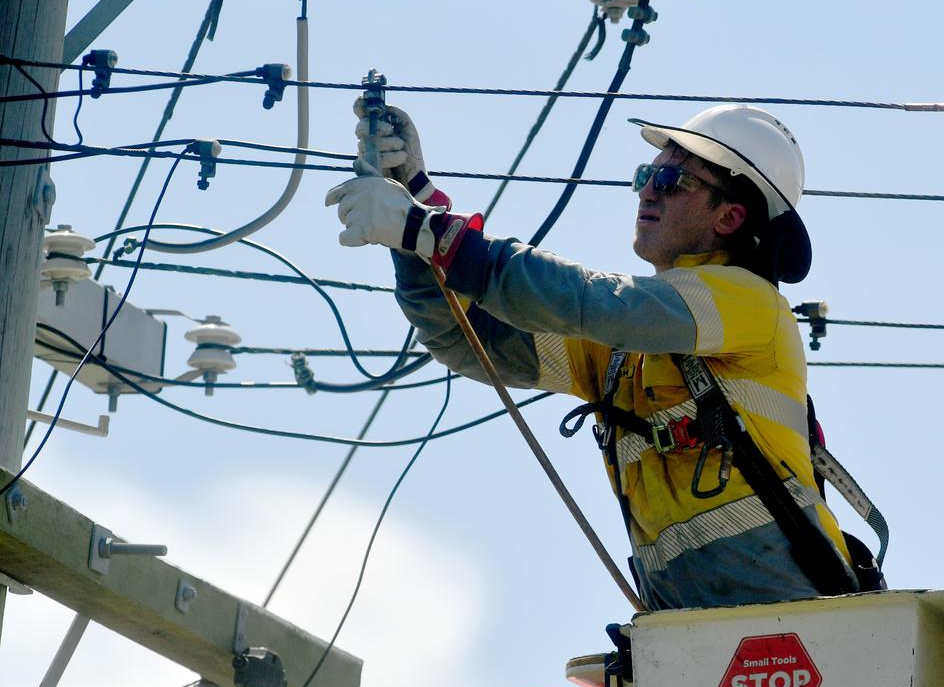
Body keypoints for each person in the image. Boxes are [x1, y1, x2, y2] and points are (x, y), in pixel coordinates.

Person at [325, 102, 859, 610]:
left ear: (729, 217)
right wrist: (415, 217)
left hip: (800, 615)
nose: (647, 192)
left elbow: (593, 302)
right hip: (688, 629)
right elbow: (467, 338)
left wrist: (428, 231)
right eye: (644, 177)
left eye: (672, 182)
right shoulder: (623, 354)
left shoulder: (750, 305)